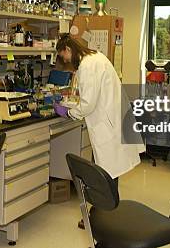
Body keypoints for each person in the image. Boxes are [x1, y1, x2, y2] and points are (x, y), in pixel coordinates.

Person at [53, 34, 144, 180]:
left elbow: (88, 104)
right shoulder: (96, 56)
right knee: (110, 170)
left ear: (68, 49)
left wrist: (69, 112)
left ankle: (106, 202)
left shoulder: (87, 66)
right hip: (113, 117)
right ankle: (107, 201)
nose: (65, 61)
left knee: (107, 172)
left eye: (64, 56)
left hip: (107, 124)